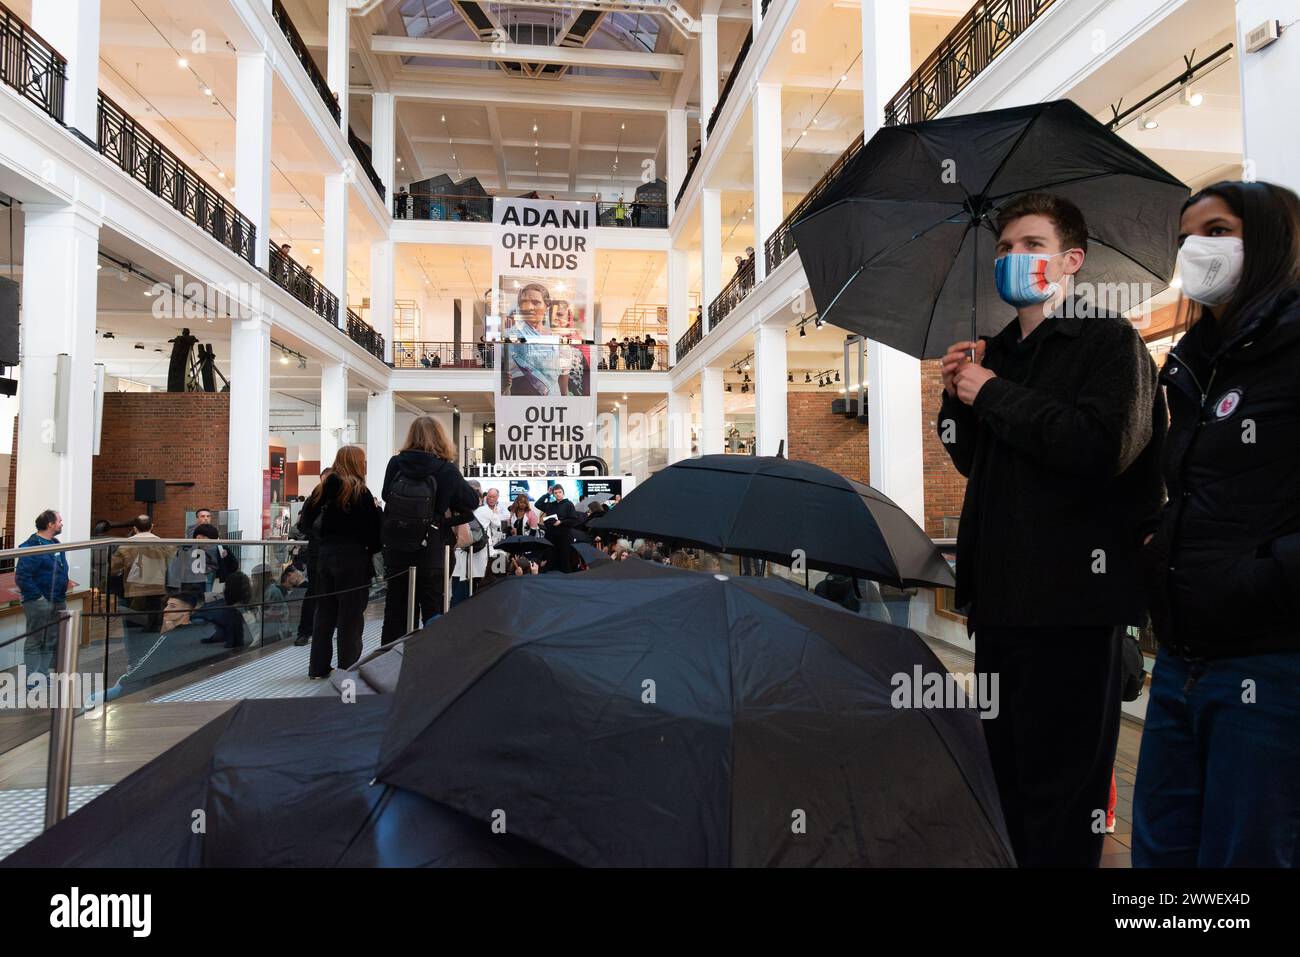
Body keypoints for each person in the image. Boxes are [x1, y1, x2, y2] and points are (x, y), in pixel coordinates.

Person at [937, 192, 1166, 868]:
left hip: (1075, 608)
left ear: (1071, 259)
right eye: (1005, 248)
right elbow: (977, 463)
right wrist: (955, 400)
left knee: (1064, 797)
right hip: (1002, 608)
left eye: (1031, 245)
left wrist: (990, 393)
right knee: (1005, 782)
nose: (1013, 258)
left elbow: (1102, 447)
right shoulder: (997, 354)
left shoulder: (1109, 343)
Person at [1133, 180, 1300, 867]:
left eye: (1217, 229)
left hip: (1269, 657)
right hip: (1181, 655)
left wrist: (1261, 577)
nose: (1195, 248)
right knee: (1160, 853)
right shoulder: (1193, 364)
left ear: (1266, 240)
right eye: (1184, 238)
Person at [379, 416, 478, 644]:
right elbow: (471, 501)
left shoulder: (396, 463)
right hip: (432, 551)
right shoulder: (446, 470)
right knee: (433, 614)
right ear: (441, 437)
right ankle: (429, 669)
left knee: (395, 613)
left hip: (398, 550)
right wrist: (441, 519)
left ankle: (387, 669)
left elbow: (386, 496)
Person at [296, 446, 382, 679]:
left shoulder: (320, 491)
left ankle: (318, 668)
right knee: (350, 617)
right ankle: (349, 668)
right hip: (352, 560)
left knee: (324, 613)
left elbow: (303, 525)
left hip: (324, 558)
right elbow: (374, 534)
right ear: (356, 463)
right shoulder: (359, 492)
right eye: (363, 461)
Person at [109, 515, 175, 668]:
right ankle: (155, 662)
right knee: (155, 625)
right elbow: (170, 561)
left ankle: (134, 663)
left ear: (134, 528)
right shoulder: (165, 544)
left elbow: (114, 568)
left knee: (133, 632)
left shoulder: (126, 545)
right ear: (152, 526)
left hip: (134, 589)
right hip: (157, 588)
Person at [16, 510, 68, 679]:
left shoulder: (56, 543)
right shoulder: (32, 547)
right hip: (39, 601)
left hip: (57, 599)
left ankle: (43, 674)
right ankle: (32, 677)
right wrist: (39, 598)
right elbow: (23, 577)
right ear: (50, 525)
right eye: (59, 521)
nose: (62, 523)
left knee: (51, 640)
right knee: (35, 640)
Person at [505, 283, 568, 396]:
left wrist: (566, 403)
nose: (529, 307)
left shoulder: (559, 342)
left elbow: (563, 377)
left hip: (552, 403)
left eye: (536, 302)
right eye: (524, 302)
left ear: (547, 306)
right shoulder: (510, 336)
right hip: (521, 404)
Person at [292, 468, 331, 646]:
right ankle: (306, 631)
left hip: (320, 551)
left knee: (316, 592)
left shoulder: (314, 500)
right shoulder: (315, 500)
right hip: (321, 552)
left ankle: (307, 631)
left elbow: (303, 525)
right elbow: (302, 526)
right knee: (316, 591)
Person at [452, 480, 496, 604]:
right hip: (478, 554)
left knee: (459, 589)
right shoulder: (486, 511)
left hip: (460, 553)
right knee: (477, 588)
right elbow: (497, 523)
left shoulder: (457, 508)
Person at [536, 484, 580, 573]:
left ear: (563, 493)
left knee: (564, 558)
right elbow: (538, 504)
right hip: (551, 536)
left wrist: (561, 522)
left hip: (564, 536)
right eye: (555, 493)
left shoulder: (569, 504)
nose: (558, 494)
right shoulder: (550, 505)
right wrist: (547, 494)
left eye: (559, 492)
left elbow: (574, 520)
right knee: (551, 557)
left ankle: (565, 577)